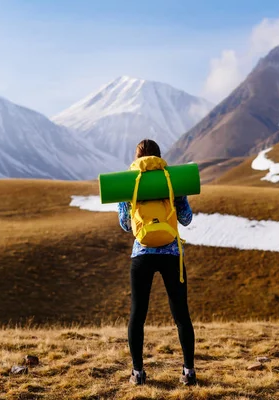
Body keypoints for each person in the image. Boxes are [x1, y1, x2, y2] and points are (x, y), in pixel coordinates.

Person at [117, 139, 196, 386]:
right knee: (181, 314)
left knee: (137, 315)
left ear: (137, 157)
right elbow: (186, 219)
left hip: (141, 254)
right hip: (171, 253)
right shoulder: (172, 180)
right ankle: (189, 373)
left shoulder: (129, 183)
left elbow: (124, 224)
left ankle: (138, 373)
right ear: (160, 157)